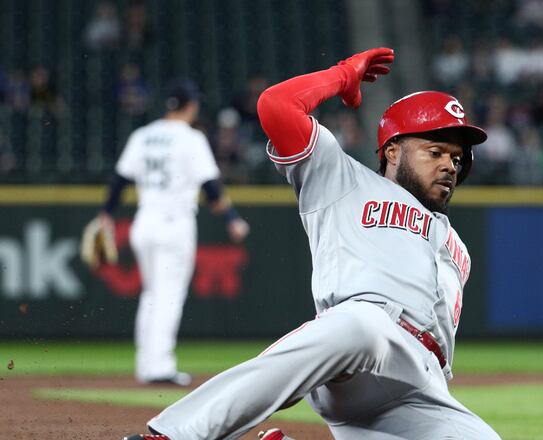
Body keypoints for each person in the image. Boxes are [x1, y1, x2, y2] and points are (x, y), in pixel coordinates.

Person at [123, 48, 501, 440]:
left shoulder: (458, 248)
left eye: (457, 159)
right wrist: (342, 75)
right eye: (435, 151)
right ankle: (179, 434)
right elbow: (276, 105)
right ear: (392, 150)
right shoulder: (342, 179)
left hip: (422, 387)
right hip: (360, 345)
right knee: (364, 325)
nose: (448, 166)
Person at [94, 79, 249, 387]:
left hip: (144, 221)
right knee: (168, 296)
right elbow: (212, 188)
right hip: (174, 224)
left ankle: (146, 363)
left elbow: (120, 180)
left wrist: (106, 215)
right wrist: (232, 218)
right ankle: (160, 366)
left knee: (151, 294)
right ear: (190, 106)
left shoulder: (143, 135)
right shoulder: (191, 139)